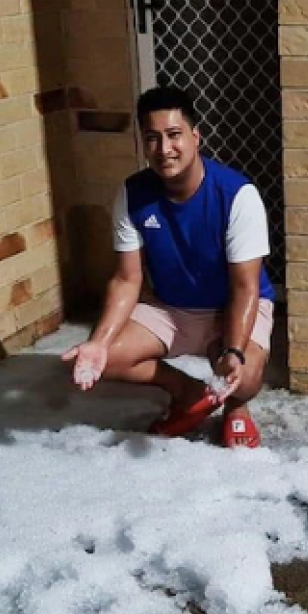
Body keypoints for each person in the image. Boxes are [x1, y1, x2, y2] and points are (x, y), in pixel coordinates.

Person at [63, 86, 276, 448]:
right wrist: (99, 342)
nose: (164, 150)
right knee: (102, 360)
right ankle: (189, 393)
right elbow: (127, 278)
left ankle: (236, 409)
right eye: (152, 138)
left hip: (231, 307)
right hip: (171, 308)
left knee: (248, 375)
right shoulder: (133, 194)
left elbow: (245, 286)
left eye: (174, 135)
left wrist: (234, 351)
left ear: (195, 136)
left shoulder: (238, 194)